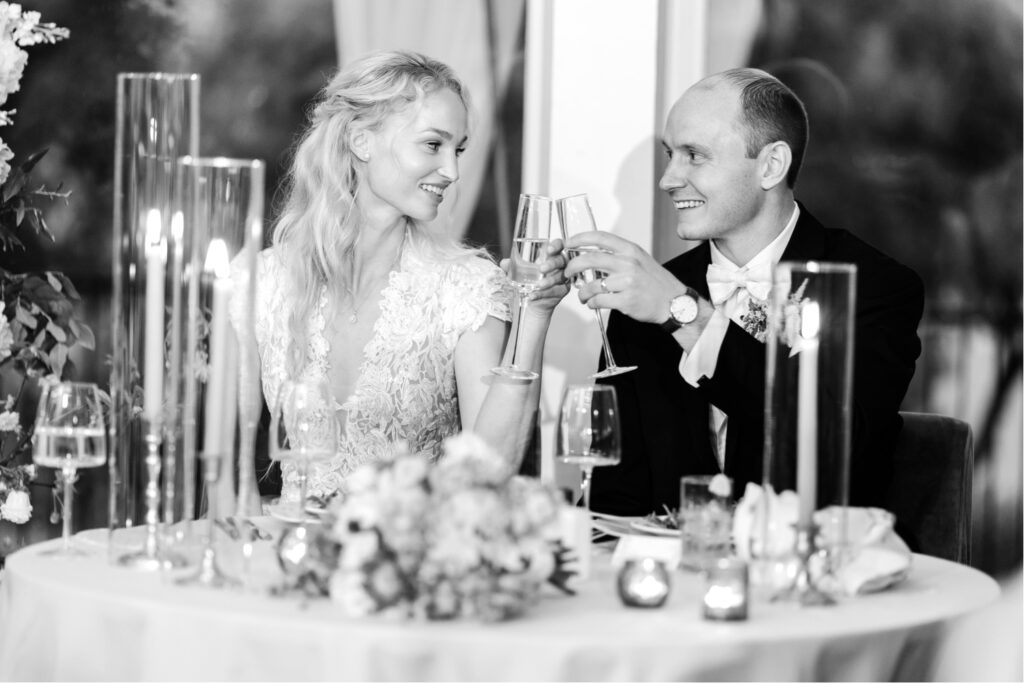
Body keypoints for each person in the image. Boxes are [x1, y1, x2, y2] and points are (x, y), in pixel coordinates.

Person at [564, 67, 923, 517]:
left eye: (694, 155)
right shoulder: (642, 302)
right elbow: (612, 503)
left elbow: (836, 446)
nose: (669, 179)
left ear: (771, 165)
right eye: (670, 154)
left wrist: (683, 313)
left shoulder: (874, 286)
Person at [247, 50, 566, 502]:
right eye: (433, 145)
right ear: (361, 141)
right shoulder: (261, 281)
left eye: (458, 150)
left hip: (414, 542)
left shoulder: (466, 288)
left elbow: (489, 470)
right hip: (290, 539)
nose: (452, 171)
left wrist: (534, 316)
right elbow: (227, 472)